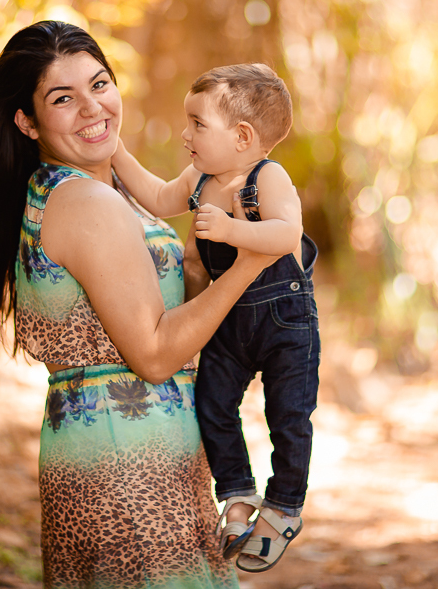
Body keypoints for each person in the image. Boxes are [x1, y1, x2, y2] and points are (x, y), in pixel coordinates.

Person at [0, 20, 274, 589]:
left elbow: (151, 306)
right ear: (26, 121)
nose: (90, 107)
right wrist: (253, 262)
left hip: (127, 453)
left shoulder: (78, 189)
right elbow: (152, 354)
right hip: (127, 464)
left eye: (99, 85)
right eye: (62, 98)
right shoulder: (85, 200)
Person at [110, 63, 320, 574]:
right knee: (213, 403)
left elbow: (285, 236)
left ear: (243, 136)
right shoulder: (199, 180)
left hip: (284, 320)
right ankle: (238, 494)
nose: (186, 134)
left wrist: (229, 230)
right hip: (229, 322)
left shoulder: (266, 178)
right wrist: (113, 147)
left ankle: (286, 504)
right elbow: (158, 196)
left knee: (288, 416)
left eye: (198, 124)